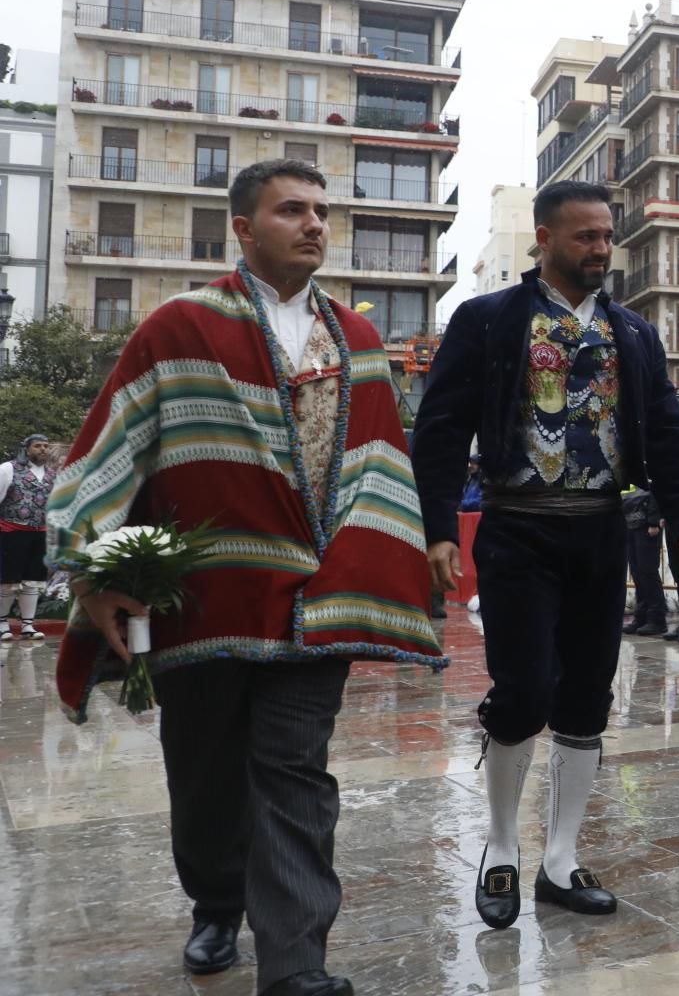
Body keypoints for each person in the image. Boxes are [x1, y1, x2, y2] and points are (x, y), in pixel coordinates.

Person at [48, 158, 449, 996]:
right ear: (242, 228)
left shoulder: (362, 341)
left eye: (320, 211)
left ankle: (296, 964)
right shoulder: (180, 326)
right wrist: (95, 569)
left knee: (294, 771)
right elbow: (113, 444)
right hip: (204, 603)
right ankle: (215, 901)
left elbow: (382, 464)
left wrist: (392, 568)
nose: (313, 225)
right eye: (291, 210)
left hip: (317, 602)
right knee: (201, 772)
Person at [411, 179, 679, 929]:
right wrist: (439, 524)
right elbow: (442, 427)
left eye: (606, 236)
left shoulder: (634, 334)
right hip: (518, 526)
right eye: (585, 237)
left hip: (602, 528)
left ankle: (560, 859)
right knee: (522, 692)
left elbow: (669, 434)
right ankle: (503, 847)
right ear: (543, 238)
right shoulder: (488, 321)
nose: (601, 250)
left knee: (587, 698)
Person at [0, 434, 56, 641]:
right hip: (11, 531)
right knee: (8, 580)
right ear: (26, 448)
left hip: (40, 533)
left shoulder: (52, 474)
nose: (42, 449)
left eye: (45, 446)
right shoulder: (8, 469)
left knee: (33, 580)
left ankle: (28, 625)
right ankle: (2, 623)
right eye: (37, 446)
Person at [621, 485, 668, 637]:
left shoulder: (647, 464)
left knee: (647, 571)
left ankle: (657, 619)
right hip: (629, 523)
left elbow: (656, 489)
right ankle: (641, 617)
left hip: (646, 524)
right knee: (636, 573)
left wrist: (654, 521)